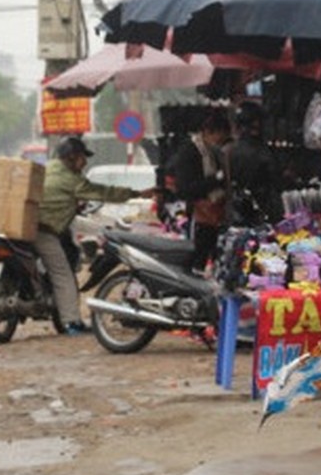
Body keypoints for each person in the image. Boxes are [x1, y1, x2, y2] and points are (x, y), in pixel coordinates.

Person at [35, 136, 154, 335]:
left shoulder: (48, 168)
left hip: (29, 225)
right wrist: (137, 193)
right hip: (44, 231)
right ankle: (72, 322)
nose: (85, 162)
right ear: (72, 157)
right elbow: (102, 192)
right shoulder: (71, 180)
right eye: (82, 157)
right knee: (63, 275)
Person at [165, 108, 231, 272]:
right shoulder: (190, 152)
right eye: (219, 137)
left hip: (214, 216)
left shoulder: (213, 153)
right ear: (208, 132)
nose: (220, 142)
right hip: (199, 217)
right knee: (196, 261)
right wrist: (215, 180)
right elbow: (186, 189)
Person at [225, 100, 283, 226]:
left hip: (233, 212)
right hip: (261, 212)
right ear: (256, 123)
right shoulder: (264, 152)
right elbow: (276, 180)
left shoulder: (227, 150)